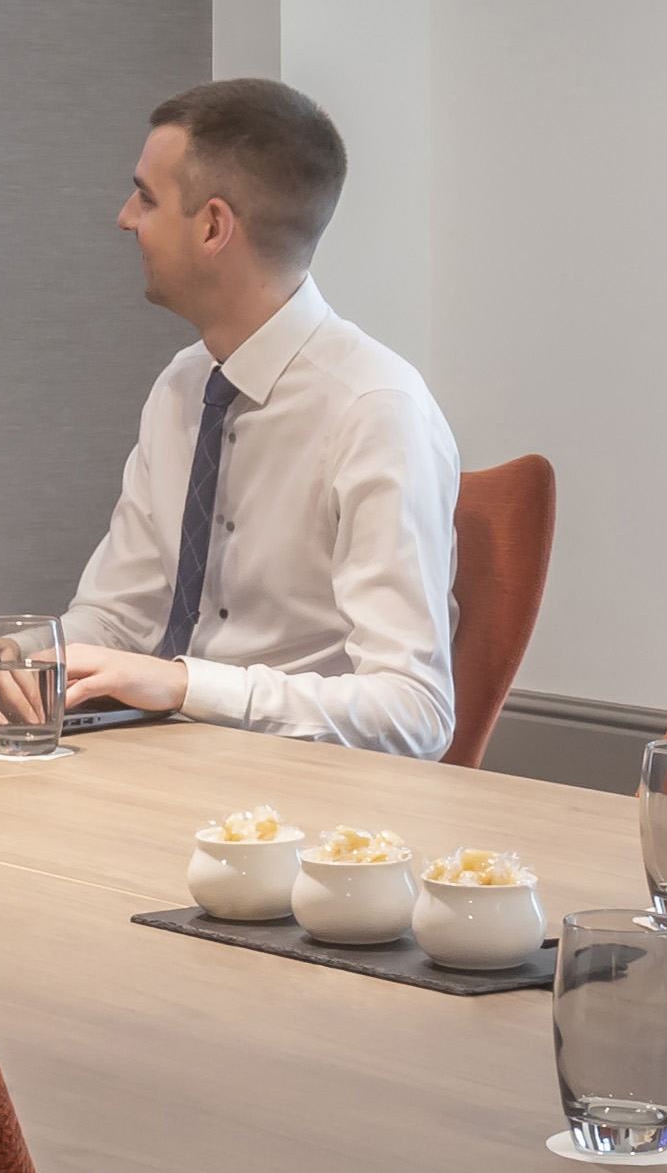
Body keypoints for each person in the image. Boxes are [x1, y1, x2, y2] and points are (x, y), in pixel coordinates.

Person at [59, 78, 460, 756]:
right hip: (157, 769)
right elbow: (119, 615)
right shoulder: (182, 386)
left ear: (213, 225)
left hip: (301, 810)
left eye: (147, 197)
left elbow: (413, 711)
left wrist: (187, 686)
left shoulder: (374, 409)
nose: (126, 217)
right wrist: (17, 657)